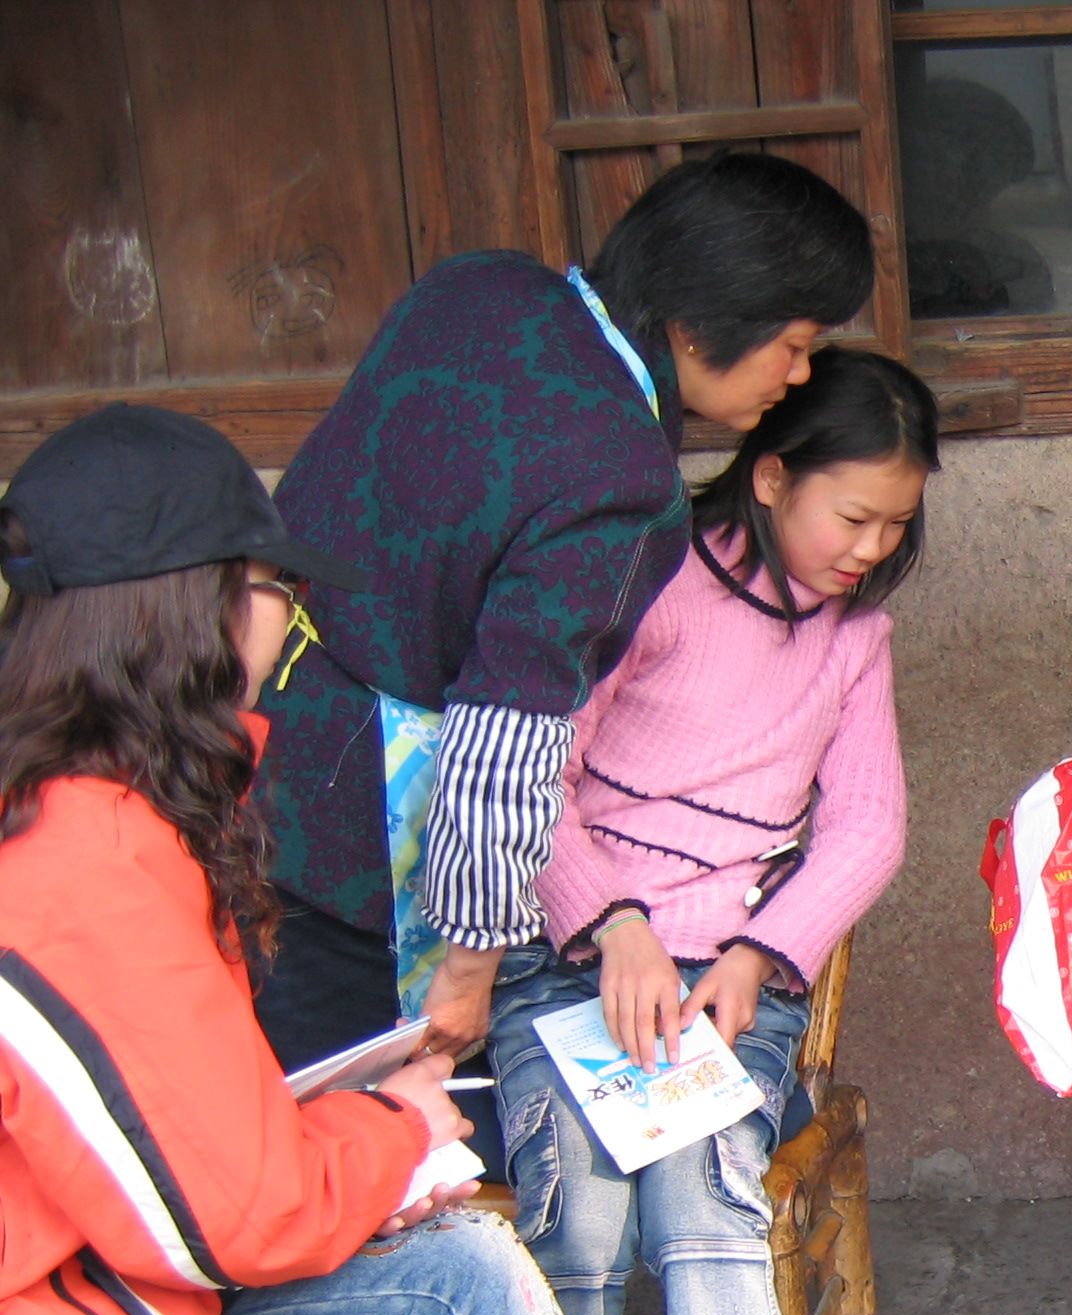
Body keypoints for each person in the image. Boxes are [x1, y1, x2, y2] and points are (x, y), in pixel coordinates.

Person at [0, 406, 868, 1315]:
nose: (291, 630)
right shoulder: (80, 857)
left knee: (462, 1276)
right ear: (186, 610)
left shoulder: (99, 810)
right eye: (274, 594)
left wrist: (349, 1133)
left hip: (90, 1288)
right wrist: (390, 1134)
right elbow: (230, 1220)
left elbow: (168, 1141)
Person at [486, 349, 929, 1315]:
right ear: (773, 475)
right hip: (575, 962)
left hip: (735, 978)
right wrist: (610, 919)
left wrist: (758, 954)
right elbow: (531, 768)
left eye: (897, 524)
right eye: (853, 515)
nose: (872, 548)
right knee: (578, 1210)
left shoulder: (853, 637)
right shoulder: (644, 578)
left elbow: (866, 826)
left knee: (706, 1182)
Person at [250, 153, 877, 1093]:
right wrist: (469, 970)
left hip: (255, 753)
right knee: (365, 1132)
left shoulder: (477, 287)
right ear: (702, 317)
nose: (799, 373)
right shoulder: (621, 476)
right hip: (369, 838)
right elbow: (506, 739)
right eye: (792, 343)